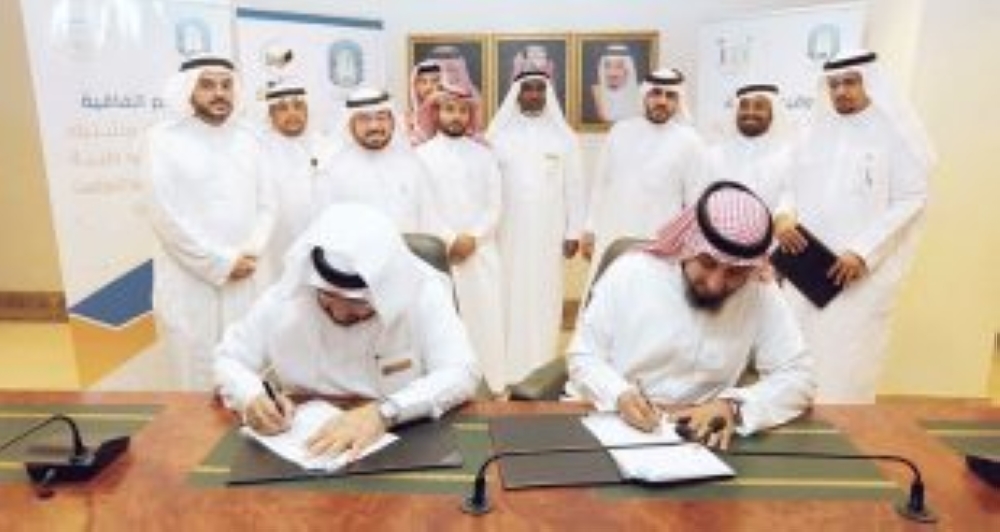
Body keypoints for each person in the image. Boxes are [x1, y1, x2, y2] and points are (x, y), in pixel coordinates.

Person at [214, 204, 480, 457]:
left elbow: (461, 372)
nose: (340, 314)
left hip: (404, 437)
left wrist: (385, 413)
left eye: (358, 303)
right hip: (303, 445)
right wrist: (251, 396)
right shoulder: (288, 296)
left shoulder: (421, 292)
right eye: (327, 296)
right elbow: (229, 359)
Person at [569, 181, 815, 449]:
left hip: (700, 439)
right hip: (612, 421)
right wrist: (618, 394)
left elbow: (799, 377)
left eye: (735, 273)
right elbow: (584, 355)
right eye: (708, 263)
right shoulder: (631, 273)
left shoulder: (759, 290)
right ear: (688, 245)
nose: (716, 284)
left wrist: (732, 407)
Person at [775, 49, 934, 403]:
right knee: (795, 359)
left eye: (850, 82)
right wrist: (783, 216)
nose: (841, 91)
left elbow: (912, 197)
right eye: (833, 84)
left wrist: (862, 251)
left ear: (869, 82)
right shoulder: (812, 131)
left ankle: (844, 434)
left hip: (857, 277)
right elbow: (789, 188)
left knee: (846, 367)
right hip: (805, 270)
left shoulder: (892, 134)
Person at [143, 54, 276, 390]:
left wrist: (250, 254)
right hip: (189, 280)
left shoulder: (251, 139)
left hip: (246, 277)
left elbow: (268, 205)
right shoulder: (163, 140)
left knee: (248, 373)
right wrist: (220, 263)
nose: (219, 93)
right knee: (194, 374)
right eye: (207, 85)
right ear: (188, 90)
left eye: (226, 85)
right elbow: (164, 215)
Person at [487, 69, 584, 385]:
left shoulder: (564, 138)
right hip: (506, 233)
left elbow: (575, 187)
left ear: (547, 94)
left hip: (548, 233)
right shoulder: (497, 137)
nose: (533, 94)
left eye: (539, 89)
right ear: (516, 94)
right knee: (507, 294)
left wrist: (573, 231)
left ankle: (539, 365)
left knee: (545, 294)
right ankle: (506, 368)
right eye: (527, 89)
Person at [415, 79, 505, 392]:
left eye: (462, 111)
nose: (456, 117)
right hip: (440, 254)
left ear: (470, 115)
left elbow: (495, 205)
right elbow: (424, 207)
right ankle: (448, 387)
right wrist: (451, 239)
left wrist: (473, 237)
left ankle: (491, 384)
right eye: (449, 109)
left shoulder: (485, 155)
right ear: (436, 113)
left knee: (485, 321)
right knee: (446, 323)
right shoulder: (421, 156)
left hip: (481, 253)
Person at [582, 68, 708, 278]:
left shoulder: (691, 141)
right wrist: (590, 227)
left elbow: (695, 202)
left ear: (678, 101)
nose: (662, 101)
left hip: (662, 242)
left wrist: (690, 246)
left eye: (670, 96)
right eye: (656, 93)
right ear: (645, 96)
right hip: (615, 233)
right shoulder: (620, 131)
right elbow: (601, 185)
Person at [259, 80, 338, 282]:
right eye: (282, 108)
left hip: (326, 248)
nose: (292, 113)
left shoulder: (328, 147)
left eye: (298, 106)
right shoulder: (259, 153)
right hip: (279, 251)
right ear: (270, 115)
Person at [322, 87, 432, 232]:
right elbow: (328, 228)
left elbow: (431, 219)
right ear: (350, 124)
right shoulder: (334, 172)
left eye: (381, 117)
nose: (374, 126)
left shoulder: (412, 165)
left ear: (392, 122)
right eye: (364, 119)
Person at [706, 83, 794, 211]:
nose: (750, 112)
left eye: (759, 107)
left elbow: (790, 196)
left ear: (772, 114)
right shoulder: (714, 155)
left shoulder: (788, 155)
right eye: (744, 106)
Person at [591, 43, 640, 123]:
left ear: (627, 70)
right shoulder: (597, 91)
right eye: (607, 67)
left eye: (619, 67)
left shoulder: (640, 92)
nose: (612, 73)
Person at [406, 59, 442, 144]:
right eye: (423, 82)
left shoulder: (451, 115)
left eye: (435, 81)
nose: (429, 87)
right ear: (415, 86)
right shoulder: (407, 119)